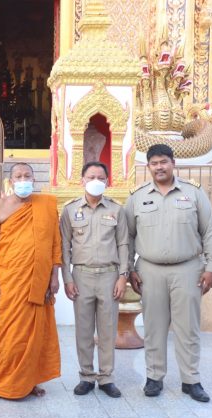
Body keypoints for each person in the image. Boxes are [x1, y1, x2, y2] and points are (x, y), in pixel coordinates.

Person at [125, 144, 212, 403]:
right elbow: (127, 237)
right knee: (154, 327)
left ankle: (191, 380)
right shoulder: (137, 197)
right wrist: (129, 269)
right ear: (148, 166)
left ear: (173, 162)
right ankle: (154, 377)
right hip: (150, 271)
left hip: (188, 270)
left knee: (187, 328)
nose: (159, 167)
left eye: (164, 162)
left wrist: (211, 267)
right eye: (154, 163)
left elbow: (209, 231)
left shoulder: (194, 193)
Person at [0, 162, 61, 399]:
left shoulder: (46, 206)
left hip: (37, 281)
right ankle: (0, 383)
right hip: (9, 279)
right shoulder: (1, 206)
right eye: (18, 176)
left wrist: (54, 276)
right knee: (7, 333)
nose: (24, 179)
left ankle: (30, 381)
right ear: (11, 181)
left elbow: (55, 243)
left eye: (28, 175)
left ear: (34, 180)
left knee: (35, 334)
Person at [60, 162, 128, 398]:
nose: (96, 180)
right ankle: (86, 376)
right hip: (82, 275)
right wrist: (67, 278)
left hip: (110, 275)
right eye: (91, 176)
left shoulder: (117, 210)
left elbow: (123, 244)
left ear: (107, 181)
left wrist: (123, 277)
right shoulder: (69, 210)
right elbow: (64, 247)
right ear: (82, 180)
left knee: (108, 330)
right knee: (84, 330)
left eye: (100, 177)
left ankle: (107, 377)